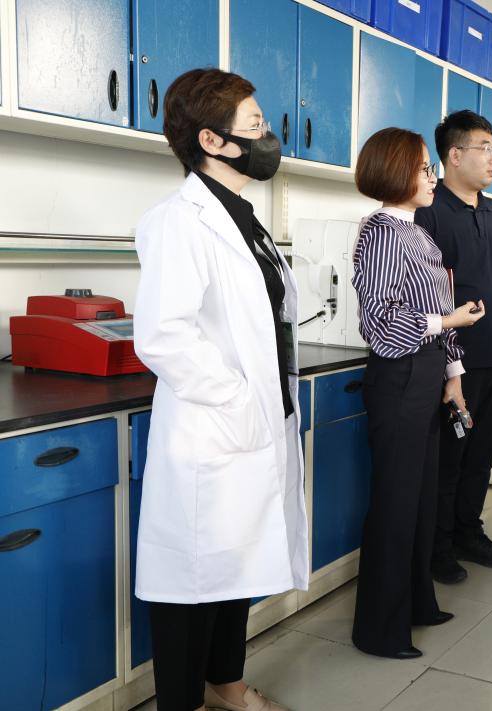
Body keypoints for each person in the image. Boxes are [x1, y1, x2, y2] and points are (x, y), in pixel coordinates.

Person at [133, 68, 304, 711]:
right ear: (212, 139)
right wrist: (237, 399)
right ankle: (184, 701)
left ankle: (226, 683)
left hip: (259, 418)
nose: (269, 136)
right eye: (255, 126)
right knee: (192, 578)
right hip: (215, 426)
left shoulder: (244, 218)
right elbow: (164, 336)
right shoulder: (179, 221)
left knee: (237, 565)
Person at [350, 127, 485, 659]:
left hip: (427, 375)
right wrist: (448, 321)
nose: (433, 177)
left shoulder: (419, 234)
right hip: (400, 377)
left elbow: (437, 314)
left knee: (422, 498)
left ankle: (416, 604)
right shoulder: (382, 232)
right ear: (395, 172)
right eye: (424, 168)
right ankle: (379, 630)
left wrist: (453, 375)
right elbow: (381, 324)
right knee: (396, 503)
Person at [414, 110, 492, 584]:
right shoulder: (428, 211)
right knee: (449, 459)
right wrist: (448, 369)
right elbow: (424, 291)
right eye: (485, 148)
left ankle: (468, 532)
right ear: (454, 155)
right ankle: (437, 546)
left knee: (481, 455)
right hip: (453, 364)